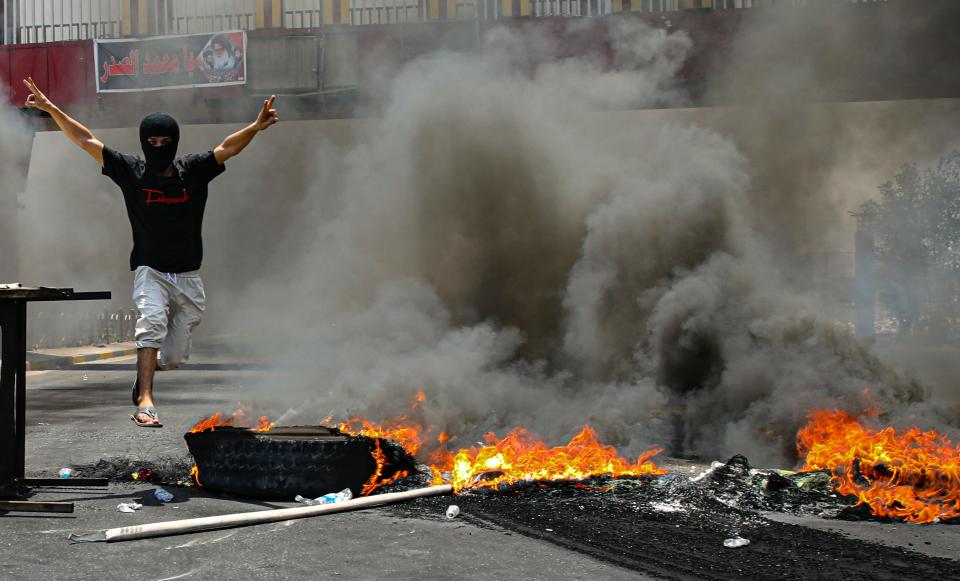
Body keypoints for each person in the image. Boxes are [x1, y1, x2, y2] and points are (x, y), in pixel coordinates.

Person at [22, 76, 279, 427]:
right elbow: (86, 140)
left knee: (173, 358)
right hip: (151, 270)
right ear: (144, 143)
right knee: (151, 323)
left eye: (165, 141)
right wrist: (51, 109)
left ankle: (147, 371)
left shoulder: (193, 170)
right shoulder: (132, 171)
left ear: (175, 143)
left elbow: (227, 147)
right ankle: (145, 400)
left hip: (188, 274)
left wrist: (255, 126)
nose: (159, 146)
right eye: (152, 141)